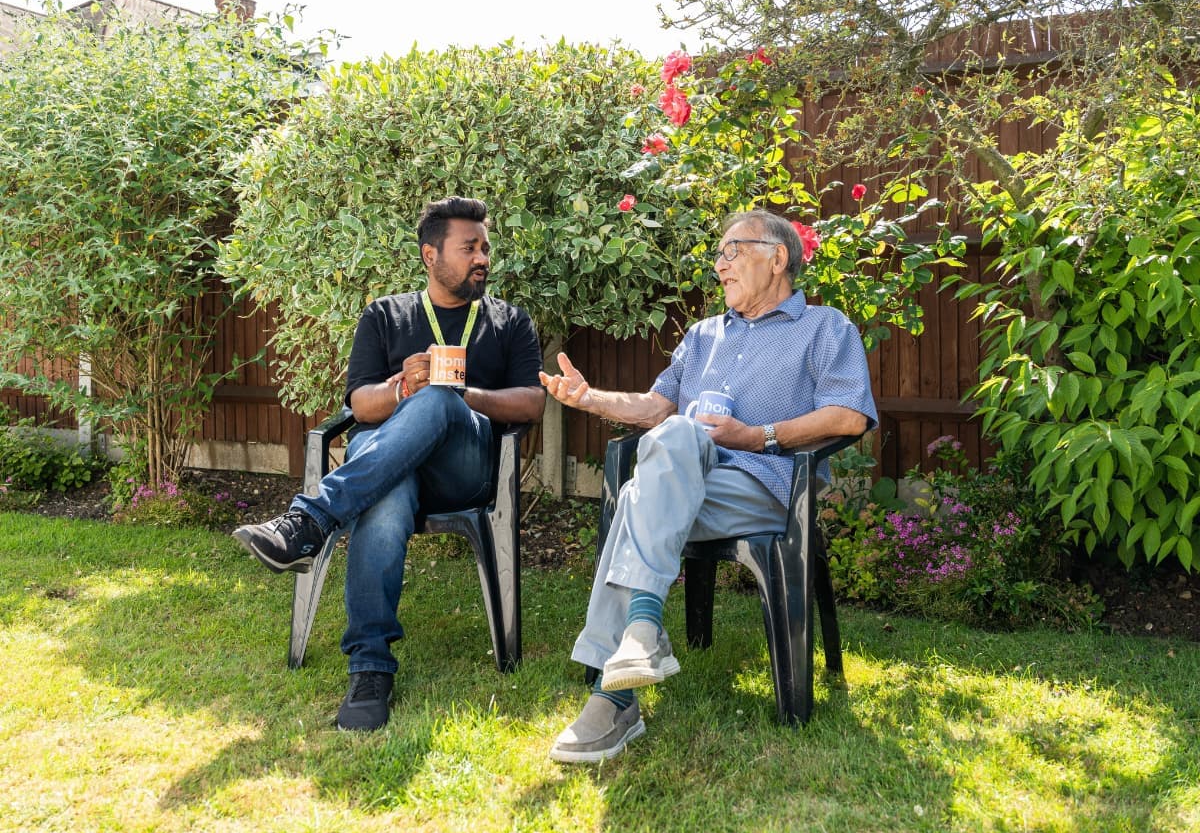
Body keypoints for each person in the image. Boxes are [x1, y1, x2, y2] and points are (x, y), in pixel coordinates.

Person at [540, 209, 876, 762]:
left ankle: (616, 687)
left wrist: (758, 436)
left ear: (777, 257)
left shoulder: (825, 328)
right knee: (670, 445)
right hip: (683, 483)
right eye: (717, 255)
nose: (719, 266)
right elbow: (655, 407)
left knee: (635, 497)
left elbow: (849, 416)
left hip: (762, 484)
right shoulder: (701, 337)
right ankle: (634, 651)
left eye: (731, 251)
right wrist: (590, 398)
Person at [233, 196, 545, 731]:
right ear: (430, 254)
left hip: (464, 471)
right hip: (388, 470)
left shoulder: (509, 321)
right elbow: (360, 406)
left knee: (442, 399)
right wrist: (403, 387)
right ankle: (370, 671)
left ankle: (311, 519)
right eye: (469, 247)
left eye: (485, 249)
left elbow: (532, 403)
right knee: (386, 493)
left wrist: (463, 395)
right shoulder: (385, 315)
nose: (482, 259)